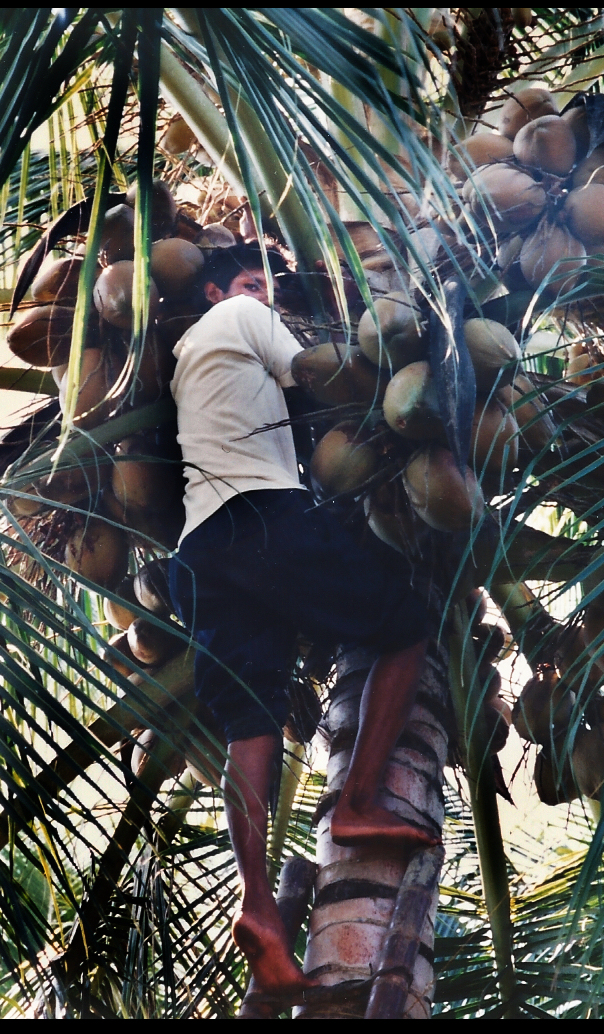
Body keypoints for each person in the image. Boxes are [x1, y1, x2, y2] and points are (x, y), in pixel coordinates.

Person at [168, 243, 439, 1003]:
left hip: (199, 551)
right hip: (261, 518)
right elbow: (318, 375)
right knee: (404, 624)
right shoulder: (242, 312)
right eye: (254, 280)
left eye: (268, 284)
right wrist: (415, 361)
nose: (266, 292)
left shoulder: (189, 356)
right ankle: (355, 804)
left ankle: (257, 903)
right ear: (221, 289)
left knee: (250, 726)